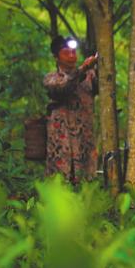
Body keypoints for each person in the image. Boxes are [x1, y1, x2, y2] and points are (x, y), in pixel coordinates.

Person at [43, 36, 98, 183]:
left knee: (87, 180)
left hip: (84, 138)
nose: (71, 53)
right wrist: (84, 68)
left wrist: (96, 64)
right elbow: (64, 87)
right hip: (62, 140)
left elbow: (105, 84)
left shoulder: (89, 76)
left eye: (73, 50)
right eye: (66, 50)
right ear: (56, 56)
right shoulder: (51, 78)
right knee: (60, 181)